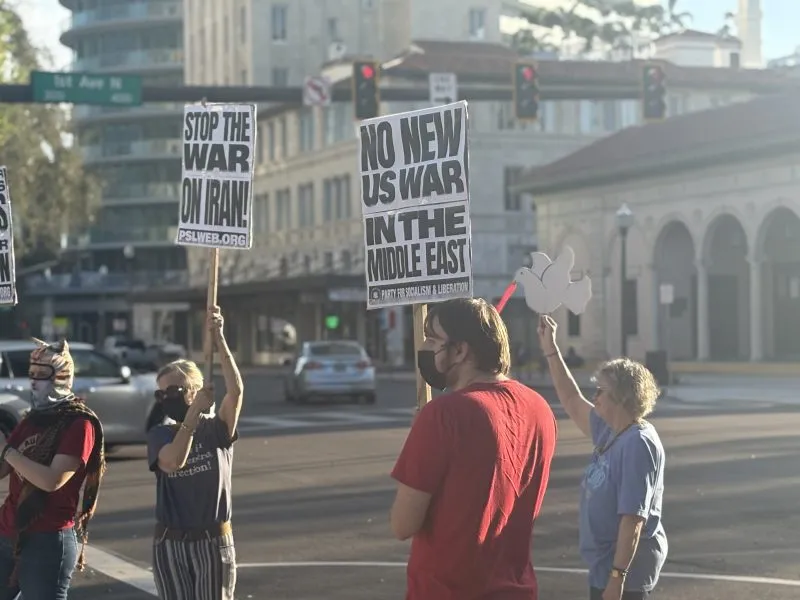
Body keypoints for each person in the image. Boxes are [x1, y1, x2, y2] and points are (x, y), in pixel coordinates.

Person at [390, 298, 558, 600]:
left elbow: (403, 523)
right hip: (517, 588)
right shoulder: (539, 407)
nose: (425, 347)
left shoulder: (444, 415)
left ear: (460, 350)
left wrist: (422, 433)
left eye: (432, 339)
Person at [537, 315, 667, 600]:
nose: (594, 397)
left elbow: (632, 519)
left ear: (621, 397)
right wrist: (551, 349)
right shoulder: (611, 430)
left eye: (601, 391)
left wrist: (617, 578)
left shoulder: (637, 443)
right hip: (604, 568)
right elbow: (571, 399)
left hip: (625, 577)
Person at [148, 305, 243, 600]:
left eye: (173, 391)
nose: (166, 399)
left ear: (195, 391)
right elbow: (174, 461)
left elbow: (236, 391)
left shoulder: (217, 429)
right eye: (161, 394)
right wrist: (190, 418)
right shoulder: (160, 434)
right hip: (170, 543)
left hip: (212, 542)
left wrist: (220, 340)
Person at [0, 339, 105, 600]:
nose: (34, 382)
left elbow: (52, 480)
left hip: (47, 540)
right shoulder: (32, 418)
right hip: (7, 530)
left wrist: (8, 451)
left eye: (42, 375)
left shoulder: (79, 423)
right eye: (31, 374)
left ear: (60, 377)